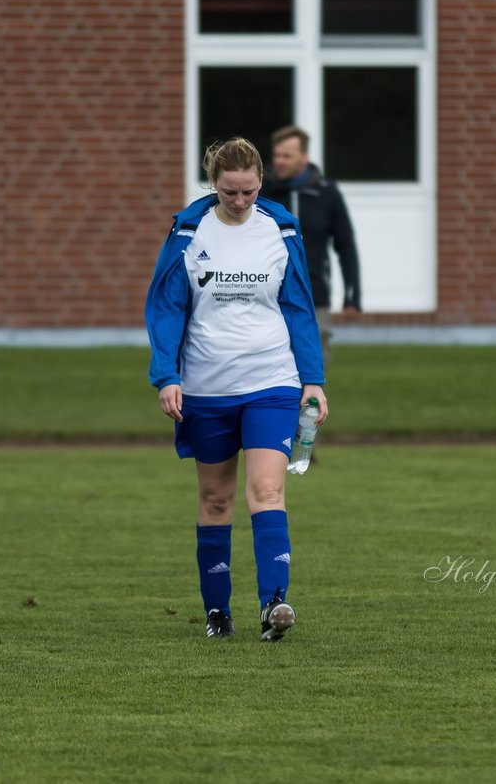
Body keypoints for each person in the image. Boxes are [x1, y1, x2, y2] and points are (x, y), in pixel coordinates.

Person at [145, 137, 327, 641]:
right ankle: (217, 612)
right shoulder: (187, 231)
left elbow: (299, 307)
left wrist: (313, 380)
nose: (240, 201)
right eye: (230, 192)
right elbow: (165, 309)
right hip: (205, 386)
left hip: (272, 380)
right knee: (216, 498)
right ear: (214, 184)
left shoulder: (281, 229)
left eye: (248, 191)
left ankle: (275, 604)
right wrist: (167, 376)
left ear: (261, 182)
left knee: (268, 489)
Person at [261, 125, 361, 369]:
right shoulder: (260, 194)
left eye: (287, 156)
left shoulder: (327, 194)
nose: (279, 162)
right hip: (269, 295)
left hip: (315, 295)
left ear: (304, 157)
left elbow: (345, 246)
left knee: (314, 370)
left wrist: (352, 295)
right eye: (276, 156)